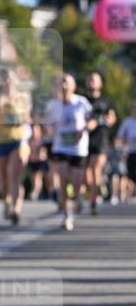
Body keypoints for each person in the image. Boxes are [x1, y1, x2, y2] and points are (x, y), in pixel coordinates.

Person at [44, 73, 96, 231]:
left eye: (67, 83)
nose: (64, 86)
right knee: (63, 180)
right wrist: (49, 129)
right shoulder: (53, 105)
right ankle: (67, 215)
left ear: (74, 86)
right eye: (62, 83)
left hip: (78, 148)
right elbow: (47, 125)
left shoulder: (81, 103)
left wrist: (84, 129)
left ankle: (79, 198)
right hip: (60, 147)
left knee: (77, 182)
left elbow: (92, 120)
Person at [0, 68, 30, 224]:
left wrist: (23, 119)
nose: (9, 82)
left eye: (11, 79)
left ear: (16, 81)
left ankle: (16, 210)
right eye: (6, 79)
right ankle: (7, 203)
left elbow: (28, 119)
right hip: (0, 141)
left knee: (15, 177)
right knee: (3, 181)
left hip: (18, 140)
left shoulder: (22, 98)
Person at [83, 71, 116, 215]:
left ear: (100, 83)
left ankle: (93, 201)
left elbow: (111, 119)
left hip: (101, 139)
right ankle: (96, 190)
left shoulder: (106, 101)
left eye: (94, 80)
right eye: (89, 79)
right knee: (86, 173)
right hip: (84, 140)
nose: (92, 81)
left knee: (96, 168)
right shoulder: (82, 100)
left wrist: (98, 122)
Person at [116, 101, 136, 197]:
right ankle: (129, 193)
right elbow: (120, 136)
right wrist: (121, 146)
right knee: (131, 173)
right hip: (131, 151)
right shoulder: (127, 121)